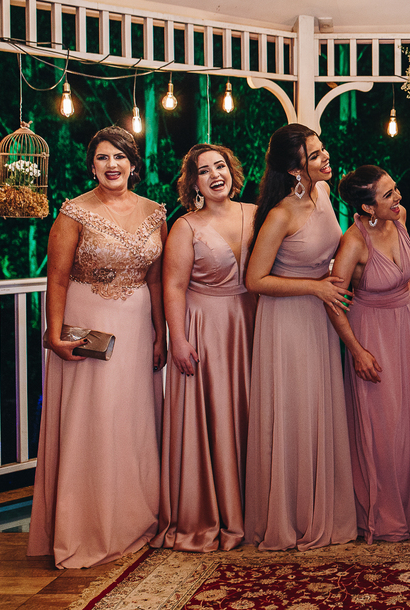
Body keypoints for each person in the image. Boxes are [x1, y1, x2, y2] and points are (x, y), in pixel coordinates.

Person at [28, 126, 167, 568]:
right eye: (104, 158)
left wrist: (161, 332)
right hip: (90, 323)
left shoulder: (155, 212)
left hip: (138, 324)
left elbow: (158, 278)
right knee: (93, 421)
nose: (113, 165)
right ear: (93, 166)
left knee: (134, 421)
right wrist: (54, 334)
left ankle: (135, 519)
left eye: (121, 157)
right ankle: (87, 525)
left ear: (133, 164)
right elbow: (58, 277)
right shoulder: (74, 212)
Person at [244, 124, 356, 551]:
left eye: (323, 149)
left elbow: (337, 247)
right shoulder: (280, 215)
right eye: (315, 155)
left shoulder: (324, 196)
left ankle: (323, 507)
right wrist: (315, 286)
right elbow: (255, 279)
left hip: (320, 315)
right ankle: (290, 514)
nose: (326, 158)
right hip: (288, 320)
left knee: (319, 408)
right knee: (295, 411)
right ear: (295, 169)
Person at [154, 144, 256, 553]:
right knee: (215, 417)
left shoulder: (255, 213)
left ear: (232, 171)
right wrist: (177, 339)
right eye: (204, 170)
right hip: (205, 329)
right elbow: (173, 287)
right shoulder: (185, 227)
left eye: (221, 166)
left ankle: (256, 508)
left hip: (251, 322)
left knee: (252, 412)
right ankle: (213, 513)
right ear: (192, 182)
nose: (215, 175)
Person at [329, 165, 410, 543]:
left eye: (394, 188)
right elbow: (333, 302)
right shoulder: (353, 242)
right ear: (367, 207)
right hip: (370, 331)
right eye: (387, 195)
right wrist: (356, 351)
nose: (397, 197)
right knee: (382, 427)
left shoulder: (399, 221)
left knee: (408, 422)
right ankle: (383, 517)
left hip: (403, 328)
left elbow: (404, 272)